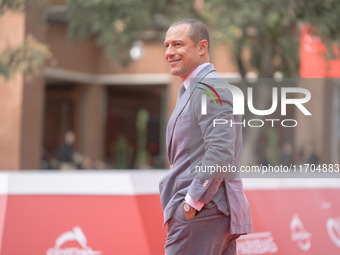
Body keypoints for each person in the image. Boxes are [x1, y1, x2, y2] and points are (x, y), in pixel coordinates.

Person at [159, 19, 252, 255]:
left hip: (203, 213)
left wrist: (192, 202)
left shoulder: (209, 88)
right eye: (167, 45)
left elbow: (221, 151)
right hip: (210, 213)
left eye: (178, 44)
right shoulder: (195, 89)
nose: (170, 52)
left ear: (202, 47)